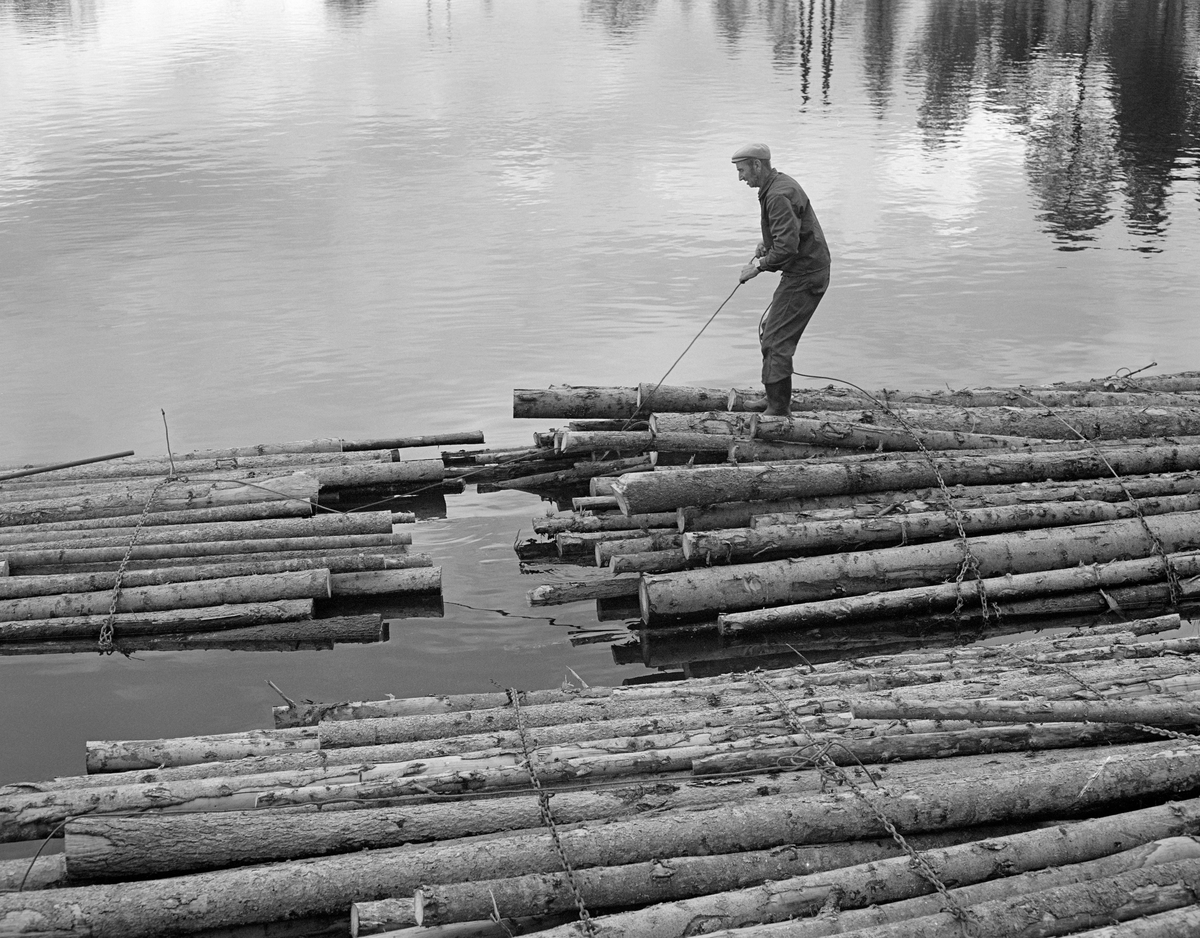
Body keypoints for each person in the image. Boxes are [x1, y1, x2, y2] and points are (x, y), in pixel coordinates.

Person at [731, 143, 831, 417]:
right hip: (805, 270)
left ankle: (778, 409)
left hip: (806, 274)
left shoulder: (776, 195)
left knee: (775, 338)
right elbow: (789, 235)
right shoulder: (778, 185)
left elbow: (787, 248)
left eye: (742, 170)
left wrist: (759, 266)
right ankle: (774, 398)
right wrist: (768, 245)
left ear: (757, 165)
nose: (740, 177)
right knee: (770, 329)